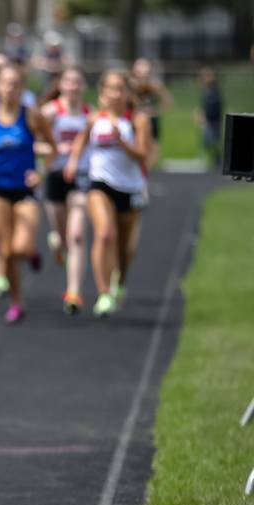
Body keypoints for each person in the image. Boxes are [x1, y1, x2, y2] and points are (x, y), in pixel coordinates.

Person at [65, 70, 151, 317]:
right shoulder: (95, 118)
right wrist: (73, 161)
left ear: (127, 92)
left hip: (130, 188)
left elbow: (143, 155)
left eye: (120, 88)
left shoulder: (137, 119)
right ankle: (103, 293)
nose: (115, 93)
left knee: (124, 248)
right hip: (100, 184)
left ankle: (120, 281)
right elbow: (82, 140)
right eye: (110, 89)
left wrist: (121, 141)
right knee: (104, 234)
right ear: (102, 93)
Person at [0, 64, 56, 324]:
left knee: (21, 246)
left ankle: (32, 254)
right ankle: (16, 301)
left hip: (25, 192)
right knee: (7, 251)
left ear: (22, 88)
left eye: (15, 84)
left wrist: (40, 173)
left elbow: (53, 149)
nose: (10, 89)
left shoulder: (31, 116)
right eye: (5, 83)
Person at [40, 67, 91, 314]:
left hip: (81, 177)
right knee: (62, 235)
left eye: (77, 82)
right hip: (55, 175)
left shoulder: (89, 114)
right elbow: (33, 141)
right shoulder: (50, 112)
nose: (73, 86)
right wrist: (52, 148)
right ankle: (57, 243)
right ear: (61, 85)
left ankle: (73, 292)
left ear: (83, 86)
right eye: (68, 82)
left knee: (77, 236)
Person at [129, 58, 171, 168]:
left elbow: (167, 102)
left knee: (153, 152)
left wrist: (156, 112)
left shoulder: (155, 86)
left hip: (151, 122)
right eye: (140, 73)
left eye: (146, 73)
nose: (144, 76)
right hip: (135, 123)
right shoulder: (131, 87)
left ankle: (146, 171)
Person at [196, 67, 223, 169]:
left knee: (213, 139)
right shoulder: (206, 91)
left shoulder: (214, 91)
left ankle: (218, 159)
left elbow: (214, 107)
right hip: (209, 119)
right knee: (208, 141)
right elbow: (205, 106)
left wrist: (205, 116)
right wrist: (201, 113)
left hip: (214, 120)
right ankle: (215, 159)